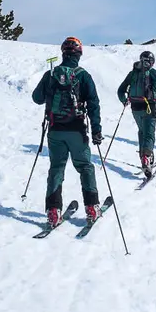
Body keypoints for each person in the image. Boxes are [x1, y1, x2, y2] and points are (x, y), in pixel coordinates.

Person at [31, 36, 103, 228]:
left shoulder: (51, 74)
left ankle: (53, 212)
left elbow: (36, 98)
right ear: (79, 54)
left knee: (57, 168)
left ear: (63, 53)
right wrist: (96, 130)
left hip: (55, 129)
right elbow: (94, 104)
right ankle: (91, 207)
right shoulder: (83, 75)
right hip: (77, 130)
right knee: (85, 166)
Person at [117, 51, 156, 176]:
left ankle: (143, 156)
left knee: (142, 131)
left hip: (135, 107)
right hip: (150, 107)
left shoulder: (132, 74)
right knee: (149, 133)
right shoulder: (154, 73)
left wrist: (124, 100)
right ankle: (146, 157)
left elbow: (120, 90)